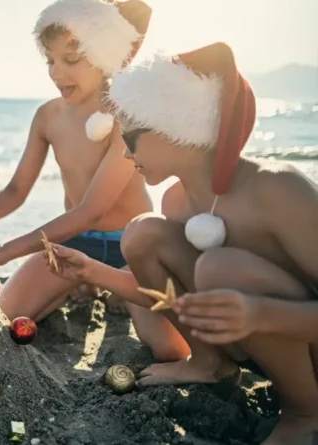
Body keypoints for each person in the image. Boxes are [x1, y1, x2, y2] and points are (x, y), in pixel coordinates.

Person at [49, 42, 318, 444]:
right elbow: (176, 296)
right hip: (257, 347)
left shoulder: (276, 188)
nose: (125, 153)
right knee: (143, 234)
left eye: (131, 137)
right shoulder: (177, 201)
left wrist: (260, 313)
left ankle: (305, 412)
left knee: (219, 268)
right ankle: (208, 362)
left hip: (306, 354)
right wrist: (93, 272)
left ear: (177, 128)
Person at [0, 0, 157, 325]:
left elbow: (91, 211)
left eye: (71, 59)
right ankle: (82, 285)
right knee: (3, 316)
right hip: (74, 244)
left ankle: (108, 286)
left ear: (105, 56)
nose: (56, 72)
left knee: (165, 345)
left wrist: (6, 249)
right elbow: (15, 191)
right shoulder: (48, 117)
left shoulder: (125, 118)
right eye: (50, 61)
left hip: (131, 246)